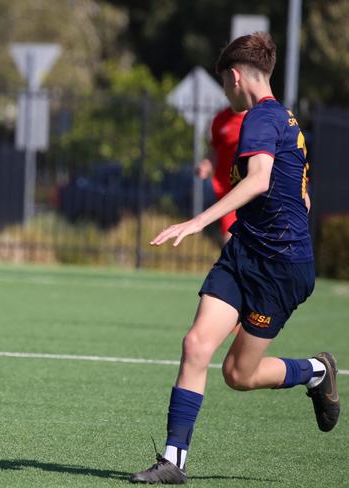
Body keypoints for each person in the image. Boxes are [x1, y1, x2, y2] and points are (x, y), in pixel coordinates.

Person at [128, 32, 340, 484]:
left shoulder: (261, 119)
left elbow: (260, 179)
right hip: (245, 252)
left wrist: (196, 221)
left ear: (236, 76)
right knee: (195, 345)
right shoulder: (287, 121)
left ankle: (316, 371)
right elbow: (299, 199)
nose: (226, 92)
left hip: (280, 268)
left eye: (225, 83)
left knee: (238, 374)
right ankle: (174, 461)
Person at [195, 106, 246, 244]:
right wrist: (207, 164)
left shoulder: (260, 119)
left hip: (253, 191)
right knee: (230, 241)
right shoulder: (220, 119)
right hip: (228, 192)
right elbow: (215, 152)